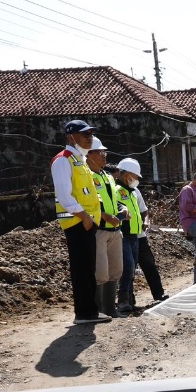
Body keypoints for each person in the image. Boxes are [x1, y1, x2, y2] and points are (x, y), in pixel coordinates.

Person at [52, 120, 109, 324]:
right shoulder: (63, 160)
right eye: (84, 134)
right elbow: (64, 196)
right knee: (81, 269)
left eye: (90, 134)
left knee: (88, 268)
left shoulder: (80, 160)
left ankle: (89, 310)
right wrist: (84, 217)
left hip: (87, 221)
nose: (89, 137)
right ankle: (84, 313)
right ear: (71, 137)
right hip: (77, 222)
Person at [88, 140, 124, 318]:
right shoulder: (86, 176)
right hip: (99, 230)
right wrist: (104, 215)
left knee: (116, 269)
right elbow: (88, 202)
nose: (104, 156)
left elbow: (113, 199)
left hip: (114, 229)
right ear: (88, 155)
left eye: (104, 152)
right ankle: (98, 310)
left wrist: (121, 209)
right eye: (99, 152)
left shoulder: (107, 176)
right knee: (100, 272)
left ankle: (110, 309)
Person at [115, 158, 145, 314]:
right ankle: (122, 301)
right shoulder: (116, 190)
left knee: (132, 268)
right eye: (135, 176)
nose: (137, 179)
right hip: (123, 234)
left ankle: (130, 300)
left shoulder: (132, 192)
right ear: (126, 174)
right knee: (128, 267)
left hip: (134, 235)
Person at [135, 191, 169, 304]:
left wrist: (145, 222)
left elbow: (144, 210)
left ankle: (159, 294)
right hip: (125, 237)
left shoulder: (135, 190)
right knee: (128, 269)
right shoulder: (117, 190)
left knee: (149, 265)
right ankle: (127, 300)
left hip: (140, 236)